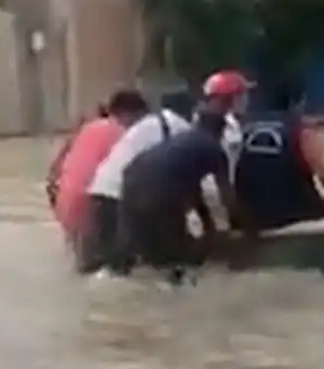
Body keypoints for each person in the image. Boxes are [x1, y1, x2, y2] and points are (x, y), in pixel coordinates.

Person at [112, 110, 244, 284]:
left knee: (139, 257)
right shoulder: (214, 149)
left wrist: (208, 225)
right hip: (159, 195)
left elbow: (193, 191)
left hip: (128, 187)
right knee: (180, 259)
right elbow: (227, 196)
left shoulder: (182, 142)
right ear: (221, 131)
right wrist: (242, 226)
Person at [85, 99, 192, 273]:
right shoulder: (177, 128)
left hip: (100, 190)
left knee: (112, 261)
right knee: (156, 258)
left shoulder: (145, 128)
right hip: (123, 193)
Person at [55, 90, 149, 274]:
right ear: (129, 114)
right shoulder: (124, 134)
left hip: (65, 202)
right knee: (112, 269)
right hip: (91, 203)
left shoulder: (89, 128)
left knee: (85, 268)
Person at [232, 82, 324, 232]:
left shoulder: (243, 128)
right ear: (297, 103)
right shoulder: (300, 129)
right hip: (294, 211)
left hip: (250, 214)